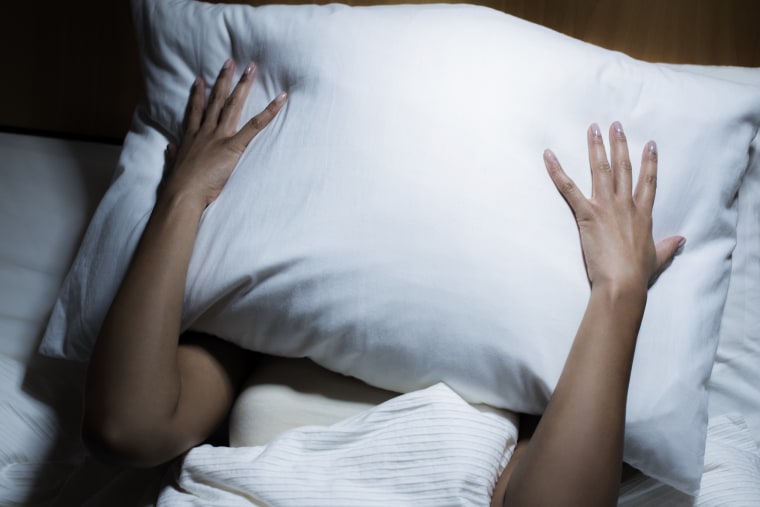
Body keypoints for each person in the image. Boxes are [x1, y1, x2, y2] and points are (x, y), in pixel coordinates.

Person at [81, 60, 684, 507]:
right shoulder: (265, 326)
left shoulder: (516, 375)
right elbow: (124, 426)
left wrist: (618, 291)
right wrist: (184, 197)